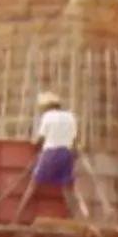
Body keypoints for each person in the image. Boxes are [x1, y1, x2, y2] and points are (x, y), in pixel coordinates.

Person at [16, 92, 78, 221]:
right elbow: (74, 141)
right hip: (66, 154)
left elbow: (41, 139)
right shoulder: (71, 117)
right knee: (67, 190)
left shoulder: (48, 117)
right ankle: (74, 218)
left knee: (33, 185)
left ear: (47, 107)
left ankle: (17, 216)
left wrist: (34, 144)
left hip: (51, 152)